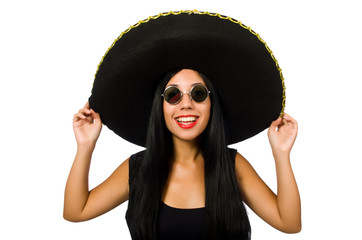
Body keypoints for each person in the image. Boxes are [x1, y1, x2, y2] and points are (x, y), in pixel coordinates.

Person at [63, 11, 301, 240]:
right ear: (161, 106)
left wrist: (281, 154)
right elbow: (76, 212)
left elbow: (289, 224)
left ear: (211, 104)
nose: (186, 105)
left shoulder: (232, 166)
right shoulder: (137, 169)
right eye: (173, 95)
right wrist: (85, 146)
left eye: (197, 94)